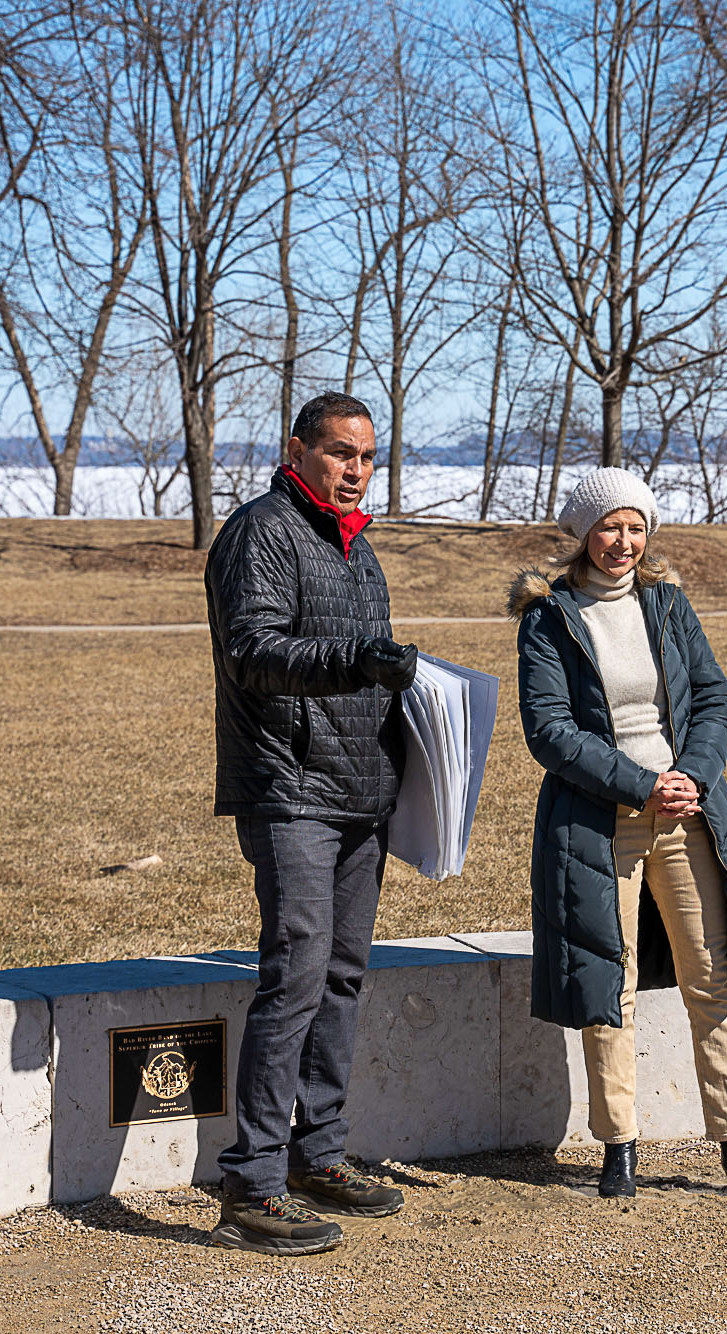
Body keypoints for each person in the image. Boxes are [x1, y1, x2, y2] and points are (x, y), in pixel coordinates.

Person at [507, 467, 727, 1202]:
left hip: (688, 813)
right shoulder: (549, 618)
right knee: (613, 983)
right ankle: (618, 1147)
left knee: (711, 975)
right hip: (599, 821)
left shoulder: (668, 604)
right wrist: (642, 784)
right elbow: (549, 731)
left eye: (636, 527)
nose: (624, 541)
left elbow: (714, 700)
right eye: (610, 526)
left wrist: (692, 774)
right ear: (583, 533)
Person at [202, 391, 419, 1256]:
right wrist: (356, 660)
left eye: (367, 457)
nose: (355, 470)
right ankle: (251, 1186)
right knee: (294, 977)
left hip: (361, 795)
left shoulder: (357, 547)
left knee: (340, 978)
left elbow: (362, 667)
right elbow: (252, 651)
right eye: (339, 453)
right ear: (296, 450)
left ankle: (318, 1155)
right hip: (290, 791)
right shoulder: (261, 531)